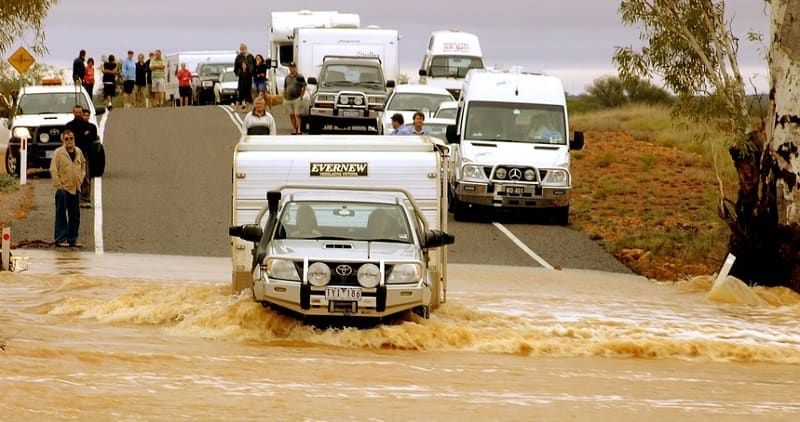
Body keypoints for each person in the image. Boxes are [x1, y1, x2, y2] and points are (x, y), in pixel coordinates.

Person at [49, 129, 86, 248]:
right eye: (66, 139)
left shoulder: (78, 151)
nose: (69, 141)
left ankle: (72, 239)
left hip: (76, 188)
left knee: (75, 215)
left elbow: (83, 166)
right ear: (63, 140)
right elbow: (53, 169)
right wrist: (59, 185)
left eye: (71, 138)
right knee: (61, 213)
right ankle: (60, 238)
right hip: (63, 189)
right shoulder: (58, 153)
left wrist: (81, 179)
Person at [65, 105, 94, 207]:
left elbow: (91, 138)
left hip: (84, 153)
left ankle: (85, 198)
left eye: (80, 112)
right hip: (71, 154)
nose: (78, 114)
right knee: (71, 176)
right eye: (76, 112)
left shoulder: (89, 126)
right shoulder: (69, 126)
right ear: (73, 113)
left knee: (85, 176)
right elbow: (67, 139)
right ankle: (72, 198)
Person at [283, 62, 306, 135]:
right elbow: (285, 88)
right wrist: (283, 97)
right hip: (288, 98)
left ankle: (299, 129)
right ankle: (294, 129)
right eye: (290, 68)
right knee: (291, 114)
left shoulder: (300, 77)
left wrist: (301, 96)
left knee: (297, 114)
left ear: (295, 68)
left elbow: (303, 87)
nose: (291, 69)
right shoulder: (287, 77)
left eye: (293, 67)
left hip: (297, 98)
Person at [233, 43, 255, 112]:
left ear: (246, 48)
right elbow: (236, 66)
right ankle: (236, 108)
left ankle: (247, 108)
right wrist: (238, 72)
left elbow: (252, 66)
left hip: (248, 77)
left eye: (244, 48)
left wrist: (249, 71)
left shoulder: (250, 56)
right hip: (241, 77)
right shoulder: (238, 57)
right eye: (241, 48)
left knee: (247, 93)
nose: (242, 49)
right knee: (240, 92)